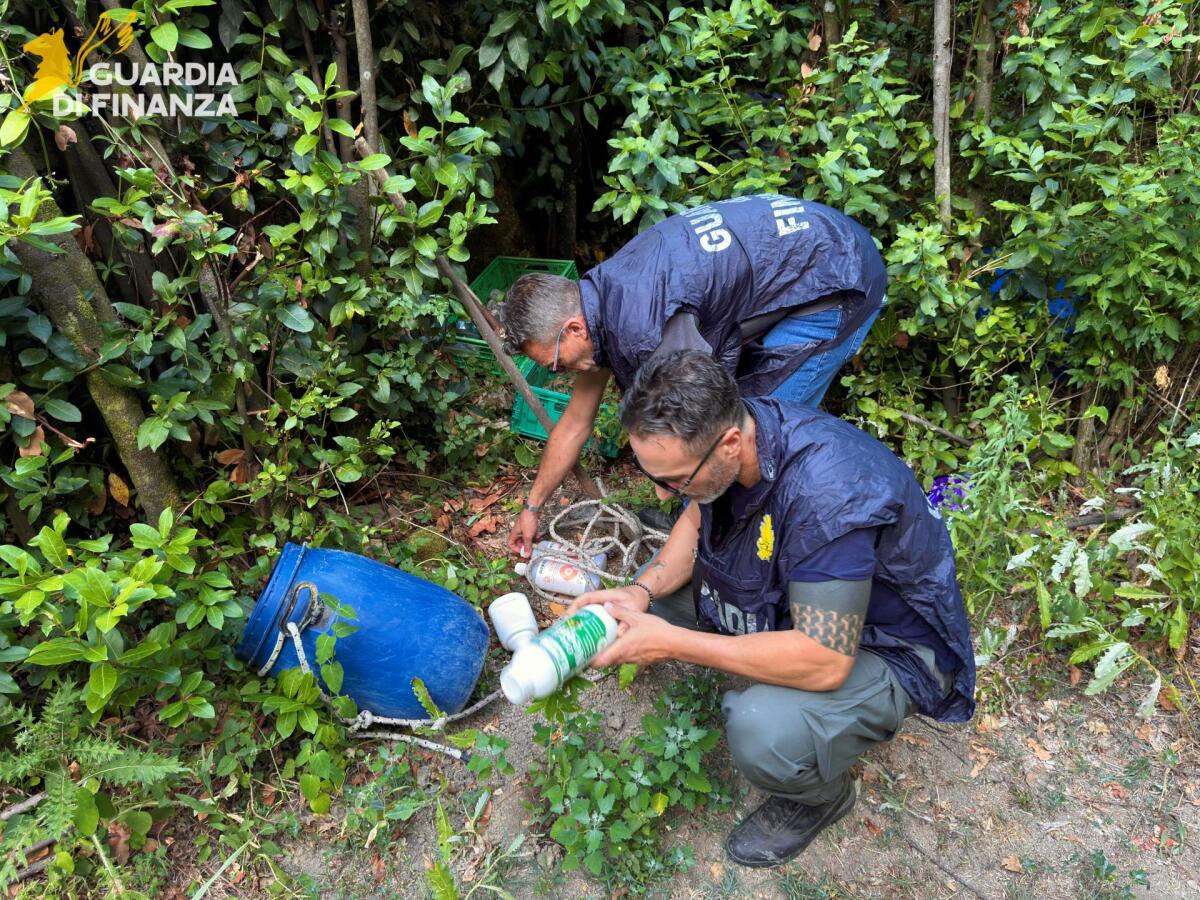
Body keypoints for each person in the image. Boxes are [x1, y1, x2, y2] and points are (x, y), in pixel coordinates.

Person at [565, 351, 976, 869]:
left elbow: (825, 660)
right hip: (796, 588)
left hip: (887, 644)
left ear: (730, 444)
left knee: (761, 727)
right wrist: (640, 593)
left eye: (671, 480)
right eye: (653, 475)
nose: (659, 492)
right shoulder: (737, 427)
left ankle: (822, 798)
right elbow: (695, 519)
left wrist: (671, 643)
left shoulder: (830, 496)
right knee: (654, 606)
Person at [498, 193, 887, 557]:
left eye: (555, 363)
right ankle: (703, 530)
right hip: (802, 257)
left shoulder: (645, 330)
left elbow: (704, 428)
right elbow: (574, 423)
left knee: (758, 432)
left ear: (574, 329)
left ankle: (753, 549)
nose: (561, 372)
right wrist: (532, 507)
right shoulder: (598, 302)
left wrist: (672, 483)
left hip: (836, 276)